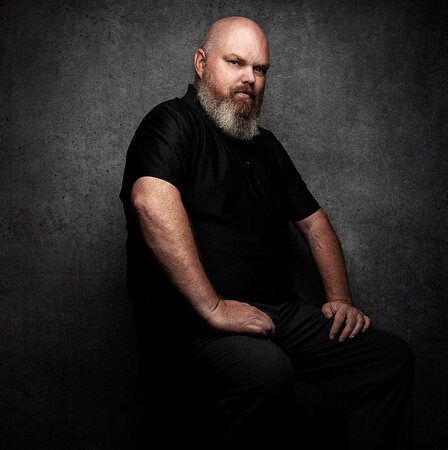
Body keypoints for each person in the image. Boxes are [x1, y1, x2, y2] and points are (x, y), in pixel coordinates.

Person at [120, 16, 414, 450]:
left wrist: (340, 298)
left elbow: (314, 222)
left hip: (278, 312)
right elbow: (150, 201)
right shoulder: (171, 122)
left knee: (388, 358)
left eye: (260, 69)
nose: (250, 78)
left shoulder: (266, 146)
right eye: (236, 63)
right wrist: (213, 307)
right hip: (190, 322)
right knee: (267, 373)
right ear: (201, 63)